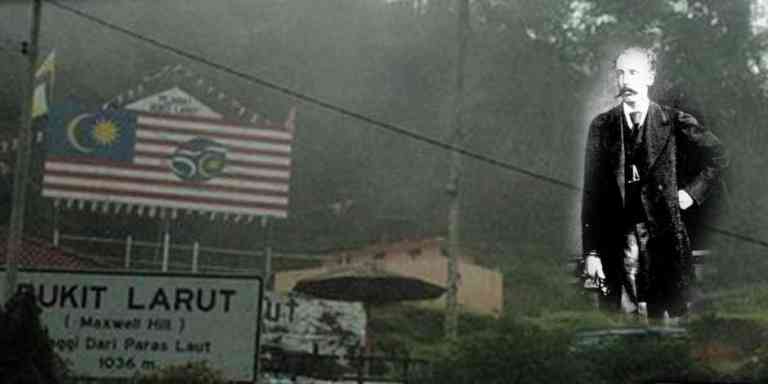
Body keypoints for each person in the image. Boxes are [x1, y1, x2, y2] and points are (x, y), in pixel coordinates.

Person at [581, 46, 728, 321]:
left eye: (634, 73)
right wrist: (591, 252)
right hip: (619, 242)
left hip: (665, 240)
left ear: (650, 77)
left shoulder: (673, 122)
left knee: (667, 325)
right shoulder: (602, 126)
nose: (626, 81)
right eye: (620, 74)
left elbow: (718, 156)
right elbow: (592, 194)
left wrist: (692, 193)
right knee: (624, 325)